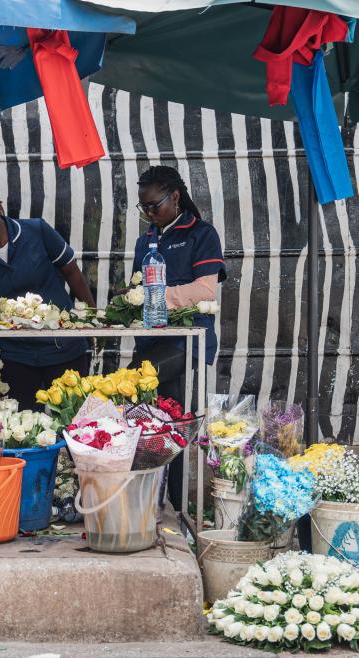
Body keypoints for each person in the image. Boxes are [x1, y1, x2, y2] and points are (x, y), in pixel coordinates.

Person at [131, 165, 225, 512]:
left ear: (175, 196)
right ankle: (145, 504)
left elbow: (205, 290)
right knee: (146, 423)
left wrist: (157, 296)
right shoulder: (146, 239)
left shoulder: (201, 234)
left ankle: (176, 511)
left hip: (188, 343)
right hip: (152, 342)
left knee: (172, 425)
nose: (149, 214)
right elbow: (135, 290)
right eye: (143, 208)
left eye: (154, 206)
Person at [0, 180, 95, 408]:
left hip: (64, 349)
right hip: (16, 358)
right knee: (24, 429)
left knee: (74, 427)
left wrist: (92, 320)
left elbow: (73, 274)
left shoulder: (37, 230)